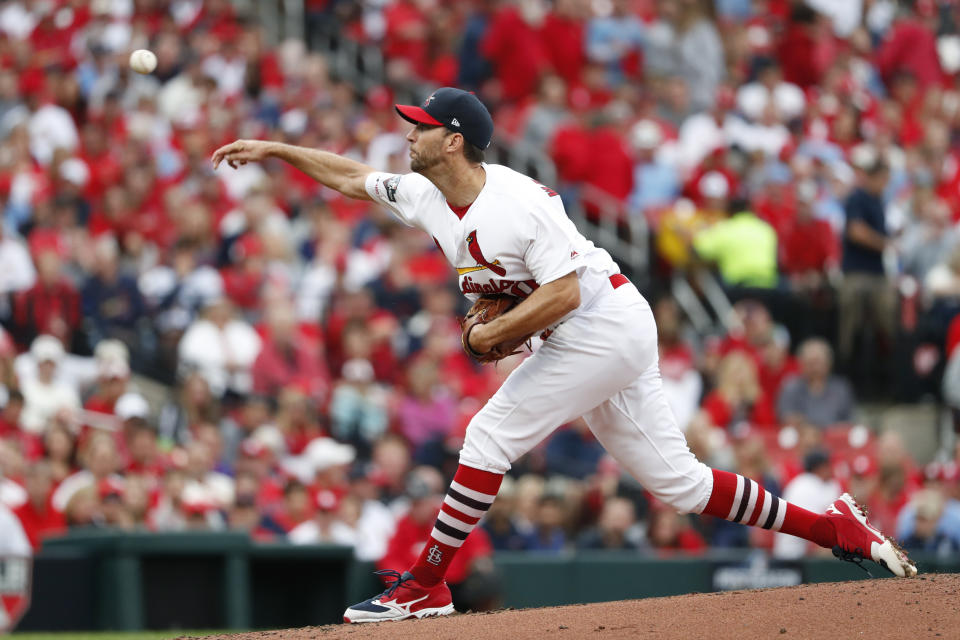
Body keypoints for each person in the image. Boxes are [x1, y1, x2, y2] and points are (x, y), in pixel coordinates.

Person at [211, 86, 916, 624]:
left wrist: (493, 334)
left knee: (489, 434)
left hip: (601, 321)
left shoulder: (518, 203)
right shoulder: (428, 195)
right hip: (593, 331)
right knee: (682, 486)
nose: (409, 133)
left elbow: (568, 293)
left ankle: (425, 585)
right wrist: (276, 152)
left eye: (421, 127)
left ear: (454, 141)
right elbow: (349, 178)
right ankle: (835, 528)